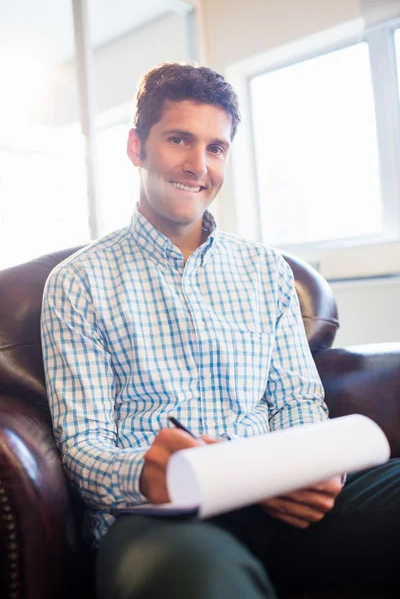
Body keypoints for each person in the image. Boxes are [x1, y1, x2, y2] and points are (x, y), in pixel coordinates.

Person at [41, 63, 400, 598]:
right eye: (179, 140)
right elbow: (84, 447)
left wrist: (318, 470)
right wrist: (145, 474)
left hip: (283, 505)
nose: (198, 165)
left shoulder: (267, 270)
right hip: (163, 521)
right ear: (136, 147)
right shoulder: (77, 283)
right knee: (192, 582)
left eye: (216, 148)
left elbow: (299, 402)